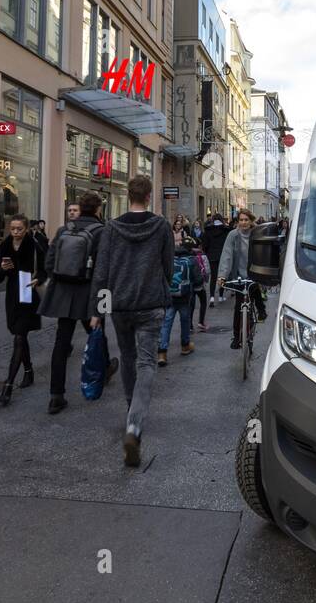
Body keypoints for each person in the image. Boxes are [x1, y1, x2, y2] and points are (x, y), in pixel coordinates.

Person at [90, 174, 173, 467]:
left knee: (127, 357)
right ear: (149, 197)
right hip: (150, 303)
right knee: (147, 363)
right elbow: (168, 266)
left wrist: (96, 311)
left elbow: (101, 271)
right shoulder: (161, 226)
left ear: (128, 196)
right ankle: (135, 425)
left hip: (120, 304)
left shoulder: (112, 228)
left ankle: (130, 412)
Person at [43, 194, 118, 414]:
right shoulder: (101, 231)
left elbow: (50, 262)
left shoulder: (64, 230)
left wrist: (60, 281)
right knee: (97, 334)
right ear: (97, 209)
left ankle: (56, 395)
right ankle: (103, 370)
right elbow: (105, 270)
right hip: (90, 293)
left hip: (63, 293)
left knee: (61, 344)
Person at [0, 215, 45, 406]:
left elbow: (46, 269)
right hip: (13, 297)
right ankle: (29, 371)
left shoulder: (34, 245)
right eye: (12, 229)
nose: (15, 232)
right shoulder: (3, 248)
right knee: (19, 336)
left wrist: (38, 279)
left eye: (19, 229)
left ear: (26, 229)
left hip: (28, 295)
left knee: (20, 337)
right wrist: (4, 269)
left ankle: (8, 385)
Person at [217, 208, 267, 349]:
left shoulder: (257, 234)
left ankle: (261, 309)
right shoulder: (233, 235)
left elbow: (264, 253)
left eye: (246, 220)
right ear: (237, 221)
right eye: (241, 220)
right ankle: (236, 337)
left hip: (254, 271)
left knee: (255, 288)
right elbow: (227, 255)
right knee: (239, 305)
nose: (243, 222)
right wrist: (222, 275)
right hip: (238, 274)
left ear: (251, 221)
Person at [159, 236, 202, 366]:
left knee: (167, 322)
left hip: (169, 295)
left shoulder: (170, 257)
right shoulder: (191, 260)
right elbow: (198, 279)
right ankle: (185, 345)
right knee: (185, 319)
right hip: (185, 295)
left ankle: (162, 352)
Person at [202, 215, 229, 305]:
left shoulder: (208, 230)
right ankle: (220, 296)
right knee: (221, 276)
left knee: (213, 277)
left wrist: (207, 252)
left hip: (212, 255)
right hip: (222, 255)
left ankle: (212, 297)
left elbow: (204, 245)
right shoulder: (226, 230)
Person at [191, 237, 211, 332]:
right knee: (203, 302)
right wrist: (206, 281)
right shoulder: (202, 255)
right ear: (200, 246)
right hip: (200, 283)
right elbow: (207, 270)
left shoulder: (188, 255)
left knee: (191, 304)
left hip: (190, 284)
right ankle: (201, 322)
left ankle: (190, 325)